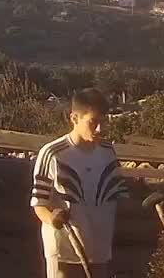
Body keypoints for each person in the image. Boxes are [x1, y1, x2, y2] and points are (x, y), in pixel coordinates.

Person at [30, 88, 128, 277]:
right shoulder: (53, 154)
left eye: (103, 122)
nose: (100, 129)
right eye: (93, 122)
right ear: (74, 118)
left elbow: (115, 196)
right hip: (65, 254)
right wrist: (53, 218)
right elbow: (38, 205)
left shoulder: (108, 152)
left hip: (100, 252)